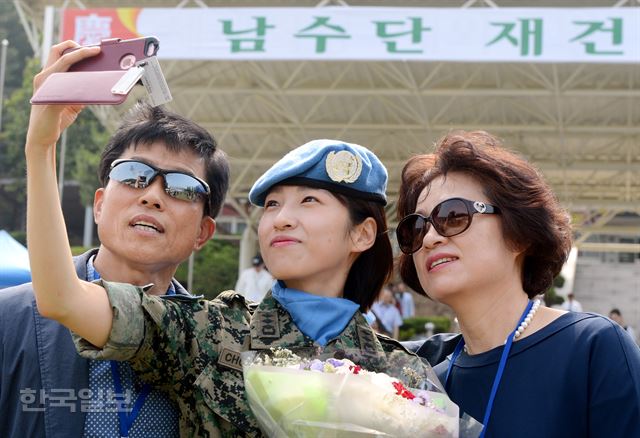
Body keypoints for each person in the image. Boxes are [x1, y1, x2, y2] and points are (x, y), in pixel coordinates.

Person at [28, 134, 433, 436]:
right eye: (273, 205)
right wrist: (42, 147)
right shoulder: (211, 331)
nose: (281, 218)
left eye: (309, 201)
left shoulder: (403, 373)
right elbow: (63, 298)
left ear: (362, 235)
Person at [0, 41, 229, 437]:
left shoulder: (215, 342)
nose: (152, 195)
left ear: (202, 233)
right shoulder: (8, 319)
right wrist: (40, 145)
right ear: (100, 205)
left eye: (181, 187)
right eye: (133, 175)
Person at [395, 131, 640, 437]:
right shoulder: (423, 377)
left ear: (519, 234)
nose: (430, 239)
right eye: (415, 229)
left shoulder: (591, 348)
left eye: (453, 215)